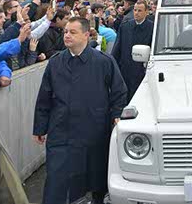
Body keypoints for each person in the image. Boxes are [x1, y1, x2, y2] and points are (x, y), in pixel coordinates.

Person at [33, 17, 127, 204]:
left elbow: (119, 91)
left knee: (94, 178)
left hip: (93, 131)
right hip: (61, 131)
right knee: (57, 178)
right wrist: (40, 127)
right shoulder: (55, 63)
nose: (67, 35)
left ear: (86, 35)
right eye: (66, 32)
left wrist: (117, 115)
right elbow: (44, 97)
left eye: (72, 32)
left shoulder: (103, 61)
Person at [111, 1, 153, 102]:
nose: (136, 13)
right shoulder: (125, 26)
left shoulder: (152, 27)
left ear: (146, 12)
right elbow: (117, 48)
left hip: (141, 70)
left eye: (140, 11)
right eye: (135, 10)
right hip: (126, 69)